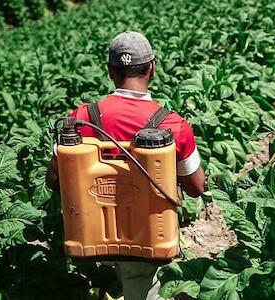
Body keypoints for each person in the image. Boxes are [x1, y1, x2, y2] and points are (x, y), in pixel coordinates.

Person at [46, 31, 206, 299]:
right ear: (152, 68)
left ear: (111, 71)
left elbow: (54, 178)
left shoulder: (82, 117)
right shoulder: (173, 124)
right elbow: (196, 188)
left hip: (90, 239)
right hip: (145, 242)